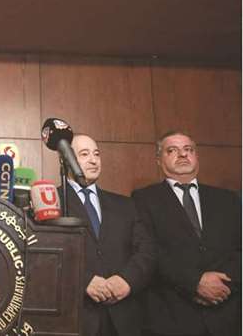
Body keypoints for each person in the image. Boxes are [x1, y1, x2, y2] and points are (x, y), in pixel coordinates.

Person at [132, 131, 241, 336]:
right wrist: (194, 283)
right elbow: (149, 252)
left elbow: (239, 249)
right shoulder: (143, 199)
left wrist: (225, 284)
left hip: (228, 314)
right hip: (174, 316)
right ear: (158, 160)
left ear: (196, 156)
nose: (182, 155)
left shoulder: (227, 199)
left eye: (188, 150)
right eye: (172, 150)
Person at [61, 134, 155, 336]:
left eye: (96, 154)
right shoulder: (52, 201)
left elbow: (147, 251)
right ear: (65, 159)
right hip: (76, 317)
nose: (94, 160)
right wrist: (83, 281)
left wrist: (126, 281)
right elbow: (42, 258)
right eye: (84, 154)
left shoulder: (125, 205)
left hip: (125, 318)